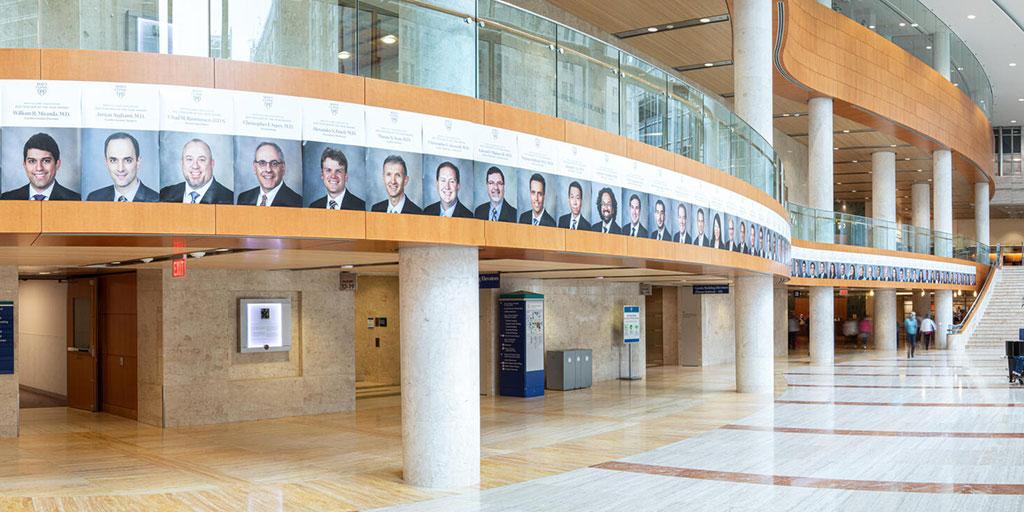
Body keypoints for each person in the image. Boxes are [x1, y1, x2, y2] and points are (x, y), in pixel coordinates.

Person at [2, 132, 80, 201]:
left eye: (46, 161)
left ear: (57, 164)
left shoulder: (75, 199)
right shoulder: (6, 199)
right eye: (32, 161)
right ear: (24, 165)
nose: (39, 168)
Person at [86, 132, 158, 202]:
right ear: (106, 162)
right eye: (113, 160)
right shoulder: (94, 198)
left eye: (128, 160)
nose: (120, 169)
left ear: (138, 161)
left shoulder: (156, 200)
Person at [160, 138, 234, 204]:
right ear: (182, 163)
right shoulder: (165, 194)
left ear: (212, 164)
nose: (195, 166)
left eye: (201, 160)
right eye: (189, 159)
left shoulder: (229, 199)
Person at [236, 141, 302, 207]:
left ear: (283, 168)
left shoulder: (297, 202)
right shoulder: (243, 198)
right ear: (254, 167)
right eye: (262, 163)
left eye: (274, 163)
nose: (268, 169)